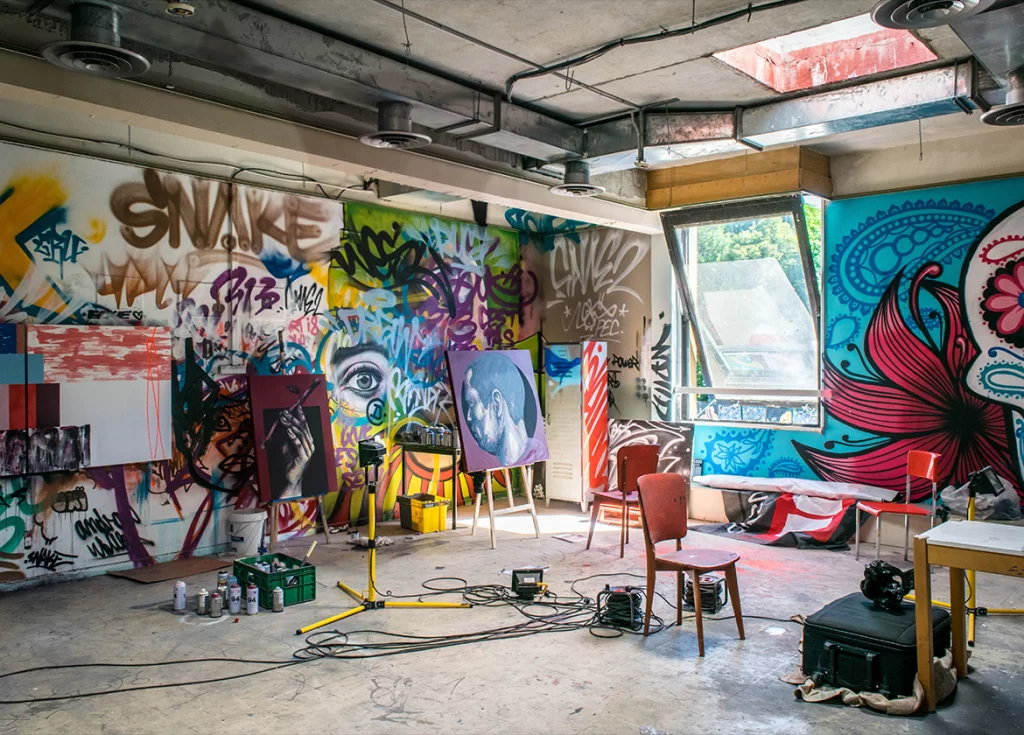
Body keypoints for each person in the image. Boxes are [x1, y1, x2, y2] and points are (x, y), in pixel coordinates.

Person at [461, 353, 547, 468]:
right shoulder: (535, 452)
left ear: (497, 403)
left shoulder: (538, 457)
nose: (468, 417)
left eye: (472, 403)